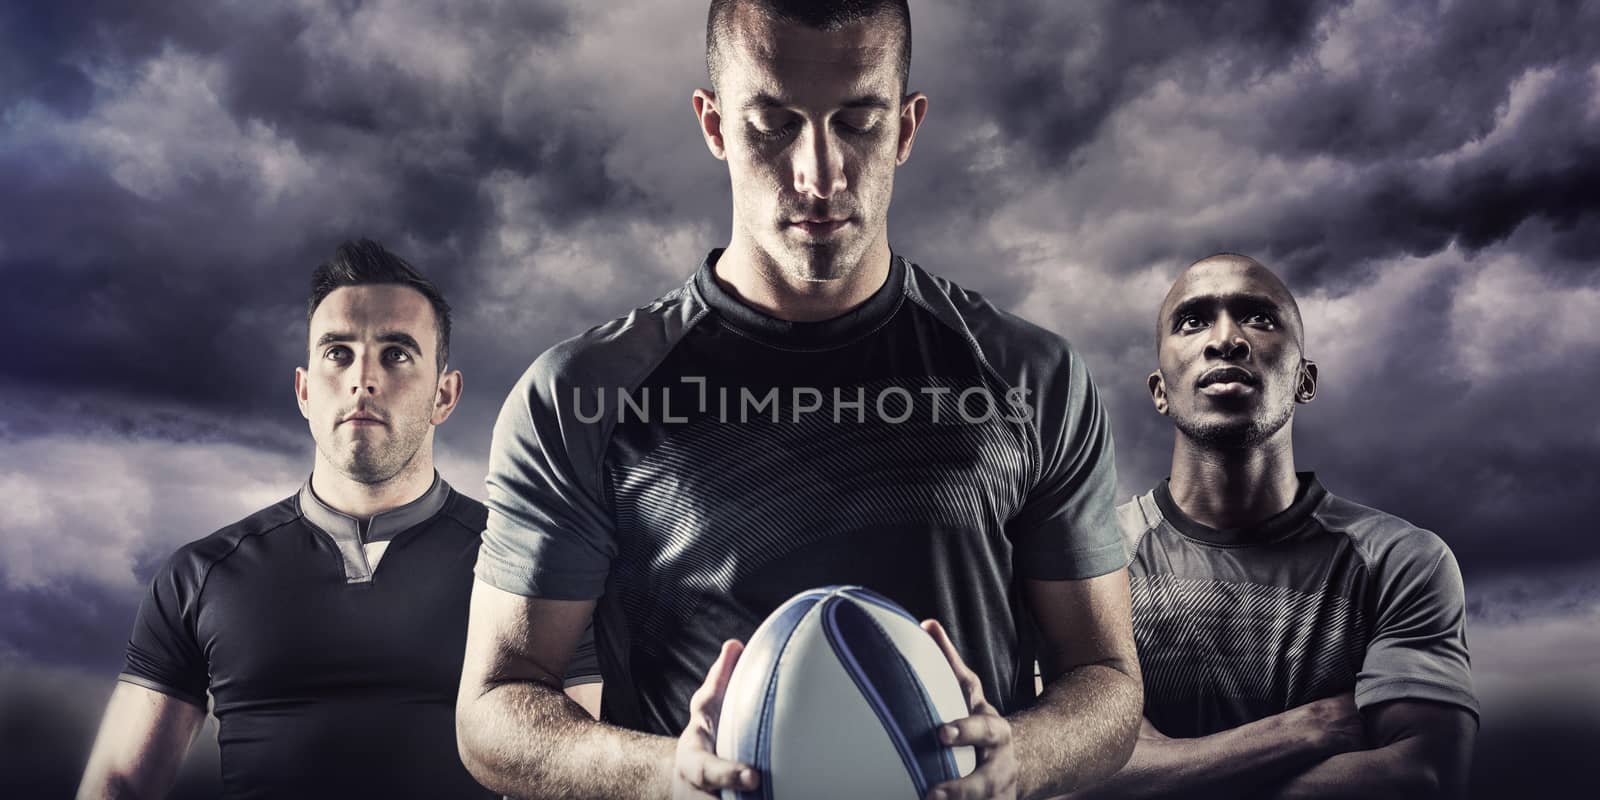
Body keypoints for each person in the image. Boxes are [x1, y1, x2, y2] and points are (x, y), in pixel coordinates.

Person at [455, 2, 1143, 799]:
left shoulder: (1033, 379)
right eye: (773, 125)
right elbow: (494, 708)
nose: (819, 173)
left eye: (859, 122)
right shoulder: (580, 394)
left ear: (908, 128)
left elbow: (1108, 681)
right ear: (713, 126)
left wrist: (1020, 757)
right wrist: (666, 779)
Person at [76, 240, 599, 799]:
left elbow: (580, 777)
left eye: (396, 353)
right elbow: (119, 783)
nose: (362, 380)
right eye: (338, 353)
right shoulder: (200, 576)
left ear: (444, 395)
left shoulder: (532, 569)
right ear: (304, 390)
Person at [1069, 254, 1477, 799]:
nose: (1226, 339)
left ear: (1304, 381)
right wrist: (1304, 732)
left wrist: (1165, 774)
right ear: (1160, 390)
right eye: (1193, 321)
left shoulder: (1400, 561)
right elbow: (1076, 778)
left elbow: (1421, 775)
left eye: (1258, 318)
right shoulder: (1092, 561)